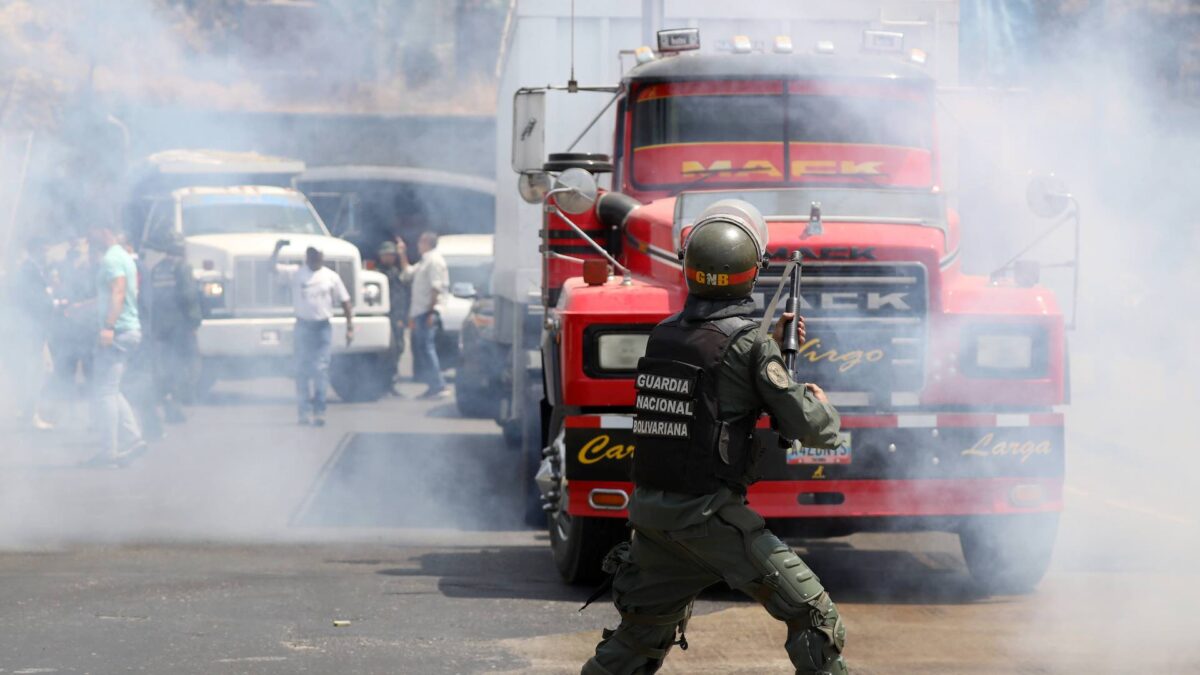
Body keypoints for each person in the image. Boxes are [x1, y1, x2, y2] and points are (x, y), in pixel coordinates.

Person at [581, 201, 848, 675]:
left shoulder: (664, 335)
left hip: (654, 519)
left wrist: (768, 341)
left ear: (689, 268)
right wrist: (816, 400)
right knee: (815, 617)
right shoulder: (750, 346)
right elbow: (812, 427)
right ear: (753, 271)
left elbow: (715, 362)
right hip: (710, 520)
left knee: (636, 641)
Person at [80, 224, 147, 467]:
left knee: (105, 391)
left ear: (104, 231)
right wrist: (82, 306)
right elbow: (111, 293)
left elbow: (118, 292)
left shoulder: (111, 260)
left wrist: (108, 326)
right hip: (126, 330)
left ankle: (109, 453)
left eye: (90, 235)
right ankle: (133, 438)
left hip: (118, 331)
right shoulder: (121, 256)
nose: (88, 242)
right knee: (111, 389)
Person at [271, 242, 353, 426]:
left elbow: (346, 301)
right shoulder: (296, 273)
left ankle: (320, 411)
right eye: (313, 256)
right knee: (301, 370)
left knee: (320, 369)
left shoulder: (331, 277)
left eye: (319, 256)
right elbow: (271, 269)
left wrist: (350, 327)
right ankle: (303, 412)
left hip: (322, 327)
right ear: (307, 258)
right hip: (303, 327)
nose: (317, 259)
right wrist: (277, 249)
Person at [145, 230, 201, 423]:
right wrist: (194, 322)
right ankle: (177, 405)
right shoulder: (183, 268)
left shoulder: (158, 269)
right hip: (180, 326)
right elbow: (189, 297)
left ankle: (168, 401)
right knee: (186, 366)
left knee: (166, 366)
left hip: (160, 327)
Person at [7, 237, 56, 430]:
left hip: (31, 329)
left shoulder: (32, 269)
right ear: (36, 249)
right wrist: (53, 302)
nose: (47, 253)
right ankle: (30, 413)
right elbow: (33, 300)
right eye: (44, 248)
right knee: (39, 370)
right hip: (33, 329)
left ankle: (27, 410)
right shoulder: (29, 270)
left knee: (34, 370)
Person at [396, 231, 448, 399]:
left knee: (427, 348)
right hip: (420, 312)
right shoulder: (424, 261)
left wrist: (431, 312)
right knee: (423, 349)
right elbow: (408, 273)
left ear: (427, 243)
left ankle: (439, 385)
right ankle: (433, 385)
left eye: (420, 242)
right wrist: (402, 253)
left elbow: (436, 287)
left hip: (427, 312)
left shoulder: (434, 261)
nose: (418, 245)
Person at [375, 240, 409, 395]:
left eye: (392, 255)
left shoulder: (395, 272)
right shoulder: (377, 274)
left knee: (399, 348)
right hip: (385, 317)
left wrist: (401, 317)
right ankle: (384, 383)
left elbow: (400, 296)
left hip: (397, 317)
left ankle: (391, 382)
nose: (390, 258)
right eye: (387, 255)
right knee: (388, 351)